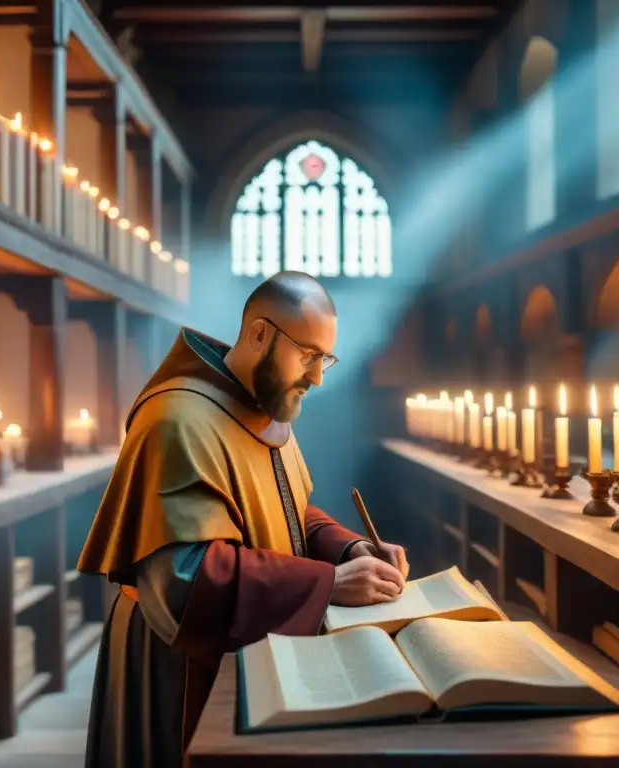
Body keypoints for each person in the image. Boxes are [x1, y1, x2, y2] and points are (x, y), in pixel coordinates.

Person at [78, 271, 410, 768]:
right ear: (258, 333)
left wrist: (349, 549)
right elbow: (183, 580)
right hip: (180, 666)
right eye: (308, 354)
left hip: (254, 637)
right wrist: (328, 584)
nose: (318, 377)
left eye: (326, 358)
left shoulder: (263, 403)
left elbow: (285, 513)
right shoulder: (177, 420)